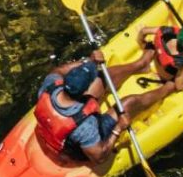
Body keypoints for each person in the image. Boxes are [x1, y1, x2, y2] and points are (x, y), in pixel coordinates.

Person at [34, 49, 175, 165]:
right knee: (128, 104)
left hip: (64, 120)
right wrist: (118, 128)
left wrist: (90, 61)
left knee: (103, 76)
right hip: (77, 149)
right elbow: (99, 157)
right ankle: (167, 89)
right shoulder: (85, 127)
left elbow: (59, 70)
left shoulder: (50, 85)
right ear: (85, 91)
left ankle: (141, 64)